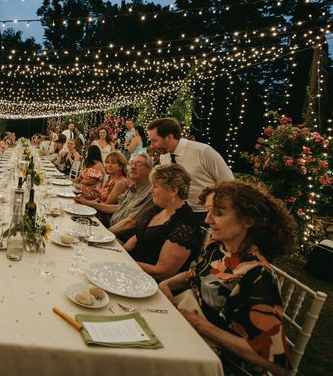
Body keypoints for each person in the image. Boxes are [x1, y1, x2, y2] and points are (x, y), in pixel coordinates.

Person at [159, 181, 295, 376]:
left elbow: (275, 362)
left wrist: (200, 325)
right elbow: (195, 275)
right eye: (208, 211)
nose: (207, 220)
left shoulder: (257, 277)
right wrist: (166, 284)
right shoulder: (219, 248)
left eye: (218, 213)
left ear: (248, 220)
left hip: (220, 366)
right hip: (189, 339)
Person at [124, 163, 202, 281]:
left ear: (174, 190)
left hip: (148, 283)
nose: (151, 190)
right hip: (130, 269)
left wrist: (124, 263)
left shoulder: (185, 225)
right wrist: (120, 253)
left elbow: (161, 272)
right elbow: (137, 237)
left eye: (155, 186)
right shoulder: (158, 208)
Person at [146, 117, 233, 217]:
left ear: (169, 137)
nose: (152, 146)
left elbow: (229, 183)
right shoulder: (164, 157)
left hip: (206, 213)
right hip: (178, 212)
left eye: (154, 141)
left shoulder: (203, 152)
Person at [75, 151, 129, 226]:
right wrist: (85, 202)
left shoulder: (120, 182)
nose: (109, 165)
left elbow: (106, 205)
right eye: (107, 162)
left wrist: (88, 203)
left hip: (105, 219)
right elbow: (99, 199)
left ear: (120, 166)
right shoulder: (111, 178)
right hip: (99, 211)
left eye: (113, 163)